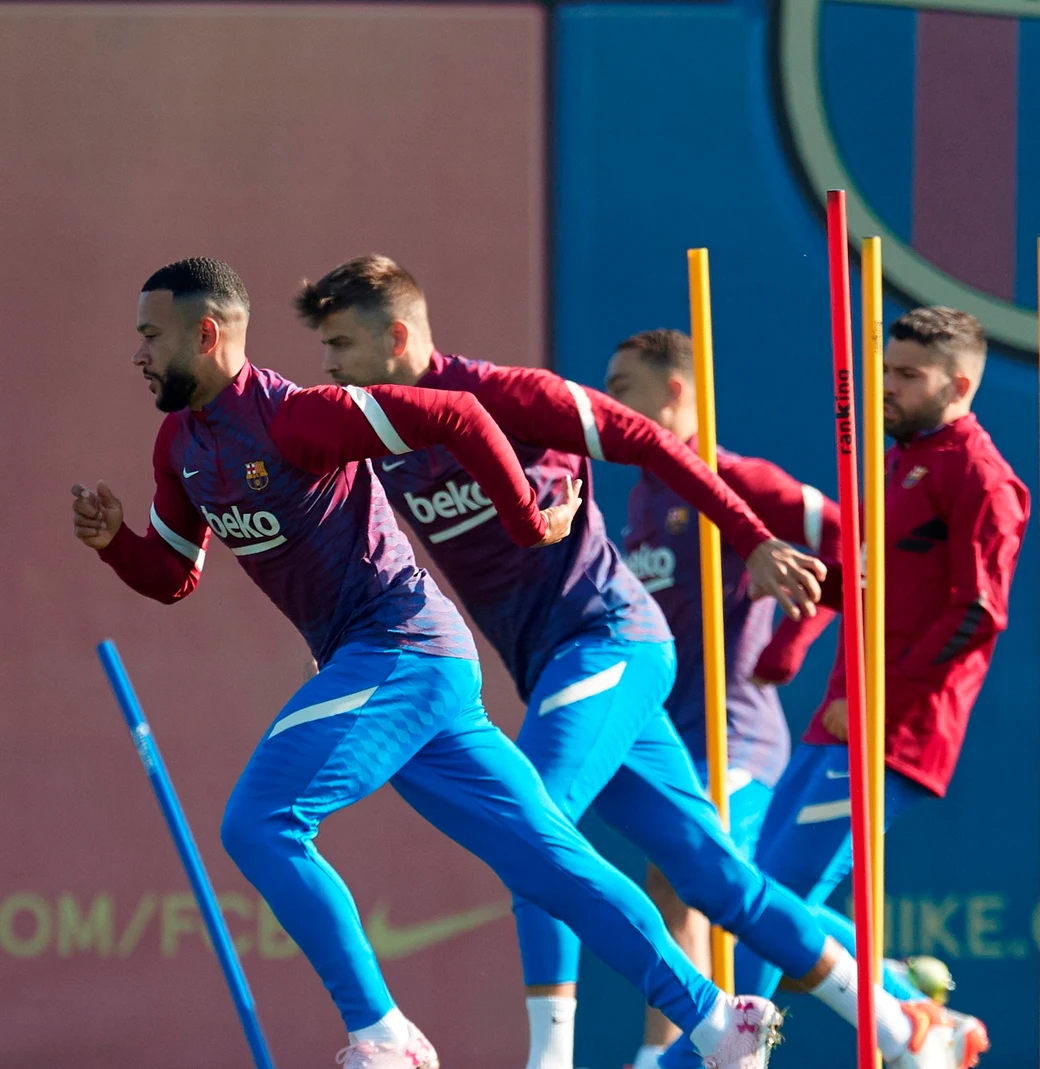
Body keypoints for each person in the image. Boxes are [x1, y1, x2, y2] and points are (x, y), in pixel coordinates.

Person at [70, 258, 779, 1069]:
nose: (139, 355)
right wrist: (115, 544)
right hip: (407, 669)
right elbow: (173, 574)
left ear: (206, 334)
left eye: (150, 336)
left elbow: (461, 415)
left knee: (259, 822)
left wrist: (525, 520)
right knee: (548, 860)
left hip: (400, 645)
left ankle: (385, 1034)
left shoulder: (302, 418)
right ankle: (721, 1020)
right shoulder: (179, 445)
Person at [296, 256, 976, 1069]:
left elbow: (654, 442)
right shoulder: (377, 440)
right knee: (714, 877)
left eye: (340, 344)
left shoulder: (511, 397)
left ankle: (553, 1058)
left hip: (613, 638)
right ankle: (901, 1025)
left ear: (397, 337)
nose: (329, 366)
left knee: (531, 818)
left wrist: (756, 542)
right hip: (557, 669)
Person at [609, 329, 945, 1069]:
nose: (609, 403)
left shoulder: (731, 475)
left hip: (737, 735)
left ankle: (686, 1047)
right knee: (687, 882)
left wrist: (790, 642)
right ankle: (891, 984)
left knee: (699, 871)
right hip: (671, 733)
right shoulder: (641, 496)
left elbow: (854, 541)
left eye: (622, 386)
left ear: (673, 392)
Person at [735, 308, 1028, 1067]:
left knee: (767, 899)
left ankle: (733, 1050)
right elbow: (872, 577)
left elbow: (978, 612)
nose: (886, 389)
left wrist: (879, 696)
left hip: (892, 729)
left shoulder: (981, 476)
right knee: (750, 893)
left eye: (907, 376)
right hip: (839, 720)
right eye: (884, 372)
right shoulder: (898, 460)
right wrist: (800, 616)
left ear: (959, 384)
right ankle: (907, 999)